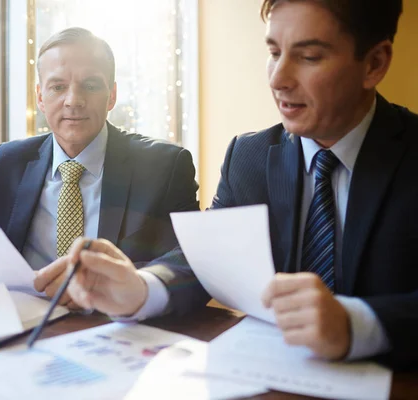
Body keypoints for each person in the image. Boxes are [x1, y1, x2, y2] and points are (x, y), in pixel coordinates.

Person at [64, 0, 418, 369]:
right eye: (274, 52)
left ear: (374, 63)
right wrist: (142, 288)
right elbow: (210, 259)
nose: (278, 78)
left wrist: (356, 324)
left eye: (309, 56)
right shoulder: (249, 155)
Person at [0, 27, 199, 308]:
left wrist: (136, 288)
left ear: (112, 96)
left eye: (90, 85)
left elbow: (191, 262)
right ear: (40, 96)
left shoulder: (165, 166)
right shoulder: (9, 162)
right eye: (58, 87)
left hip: (115, 328)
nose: (73, 100)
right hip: (21, 326)